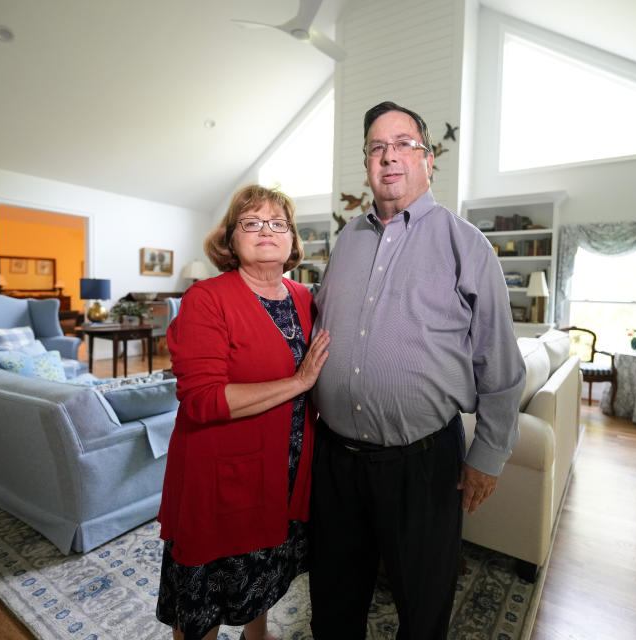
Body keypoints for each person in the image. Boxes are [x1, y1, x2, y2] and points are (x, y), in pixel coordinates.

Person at [309, 101, 526, 638]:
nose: (390, 157)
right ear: (366, 163)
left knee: (421, 611)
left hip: (423, 467)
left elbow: (499, 361)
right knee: (333, 606)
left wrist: (488, 456)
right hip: (335, 462)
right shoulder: (346, 244)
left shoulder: (467, 245)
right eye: (377, 147)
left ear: (428, 160)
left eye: (404, 144)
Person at [156, 184, 330, 640]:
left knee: (265, 572)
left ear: (293, 240)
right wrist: (298, 382)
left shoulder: (305, 299)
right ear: (230, 240)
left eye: (278, 223)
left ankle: (259, 635)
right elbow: (202, 399)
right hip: (219, 476)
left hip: (286, 470)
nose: (266, 231)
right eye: (251, 223)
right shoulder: (207, 299)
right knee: (205, 599)